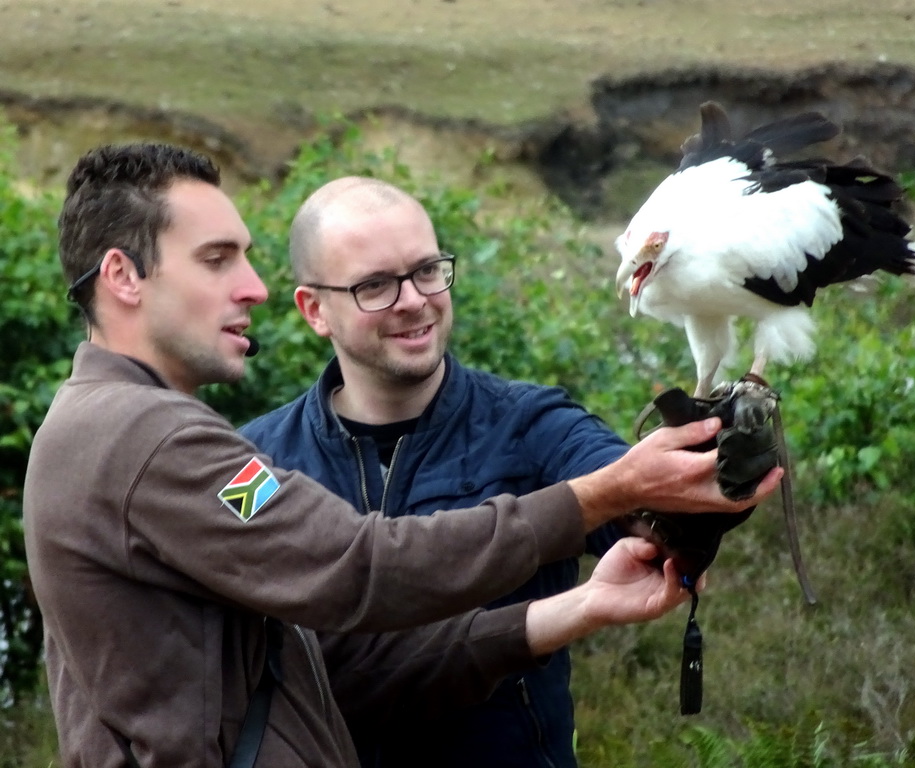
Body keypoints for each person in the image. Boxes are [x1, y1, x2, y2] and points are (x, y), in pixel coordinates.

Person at [22, 143, 783, 768]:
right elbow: (360, 567)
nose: (250, 287)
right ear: (123, 276)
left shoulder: (526, 421)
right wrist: (594, 498)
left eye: (427, 271)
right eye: (217, 259)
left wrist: (593, 588)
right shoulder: (172, 446)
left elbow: (334, 665)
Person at [235, 177, 722, 766]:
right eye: (375, 286)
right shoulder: (253, 462)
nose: (413, 299)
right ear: (315, 309)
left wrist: (718, 476)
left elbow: (649, 509)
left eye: (426, 270)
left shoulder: (532, 422)